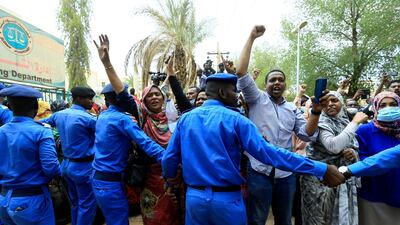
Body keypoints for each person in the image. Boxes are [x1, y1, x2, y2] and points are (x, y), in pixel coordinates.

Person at [161, 73, 345, 225]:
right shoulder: (238, 120)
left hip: (195, 200)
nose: (237, 96)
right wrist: (320, 168)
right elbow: (269, 153)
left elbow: (169, 158)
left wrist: (170, 180)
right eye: (234, 91)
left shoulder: (185, 119)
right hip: (227, 202)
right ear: (223, 93)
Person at [235, 25, 327, 225]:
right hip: (259, 170)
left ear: (285, 85)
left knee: (284, 219)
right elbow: (241, 72)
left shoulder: (292, 110)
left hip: (286, 173)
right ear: (265, 84)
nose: (276, 82)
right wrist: (251, 37)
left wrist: (316, 111)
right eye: (272, 80)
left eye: (280, 80)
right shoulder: (256, 98)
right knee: (257, 219)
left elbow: (305, 135)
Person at [93, 34, 179, 225]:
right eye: (150, 96)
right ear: (144, 101)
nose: (155, 97)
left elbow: (175, 95)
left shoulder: (175, 120)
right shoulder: (140, 116)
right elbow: (123, 96)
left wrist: (170, 73)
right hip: (151, 179)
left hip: (175, 180)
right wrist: (107, 63)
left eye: (158, 95)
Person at [91, 83, 165, 225]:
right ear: (121, 98)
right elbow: (146, 144)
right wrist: (168, 158)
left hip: (98, 178)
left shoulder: (103, 115)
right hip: (110, 183)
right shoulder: (123, 119)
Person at [300, 91, 368, 225]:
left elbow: (351, 146)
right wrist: (354, 123)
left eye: (335, 101)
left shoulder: (344, 122)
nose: (330, 104)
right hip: (319, 182)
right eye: (326, 102)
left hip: (341, 179)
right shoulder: (321, 122)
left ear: (342, 104)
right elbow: (333, 146)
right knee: (319, 219)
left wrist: (352, 154)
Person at [0, 84, 61, 225]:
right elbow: (51, 168)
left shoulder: (1, 131)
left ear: (10, 106)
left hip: (4, 199)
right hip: (32, 200)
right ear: (35, 106)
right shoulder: (41, 131)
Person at [340, 91, 400, 225]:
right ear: (375, 107)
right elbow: (360, 159)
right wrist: (352, 157)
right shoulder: (365, 130)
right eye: (383, 105)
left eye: (393, 104)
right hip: (373, 195)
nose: (388, 108)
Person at [40, 87, 97, 225]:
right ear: (77, 98)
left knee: (75, 202)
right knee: (87, 204)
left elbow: (41, 124)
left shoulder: (59, 115)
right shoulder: (89, 118)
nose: (91, 101)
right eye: (88, 98)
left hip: (65, 165)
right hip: (84, 167)